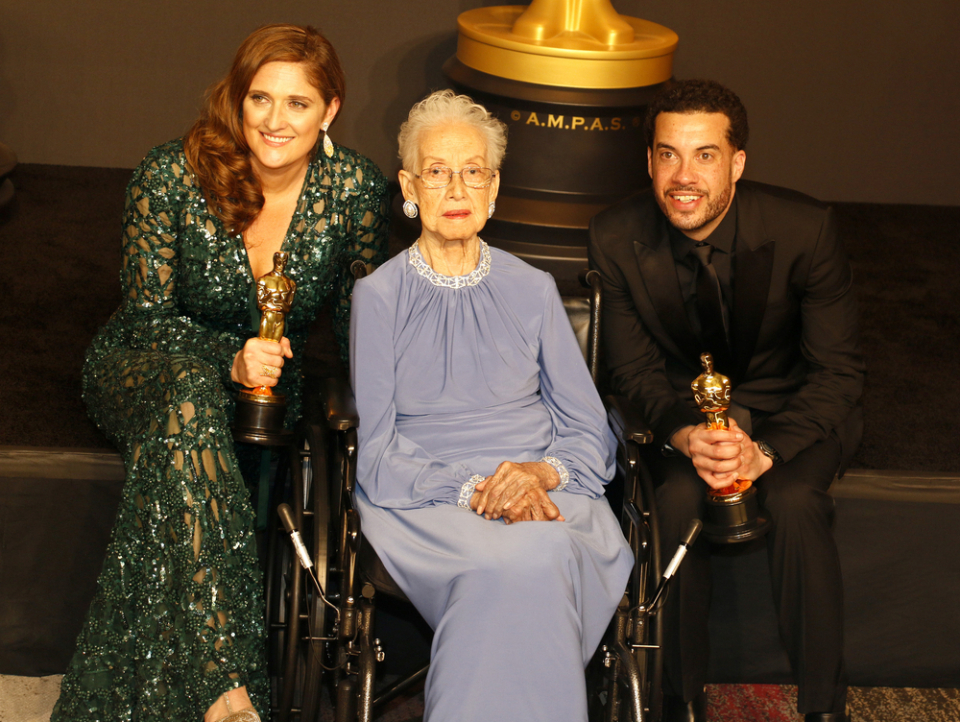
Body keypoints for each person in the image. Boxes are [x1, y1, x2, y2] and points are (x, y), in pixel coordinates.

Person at [52, 24, 389, 722]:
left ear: (329, 112)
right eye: (259, 98)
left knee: (194, 416)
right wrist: (227, 358)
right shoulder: (170, 173)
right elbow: (146, 316)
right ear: (235, 101)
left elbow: (365, 319)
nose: (274, 120)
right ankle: (223, 680)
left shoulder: (355, 187)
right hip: (145, 363)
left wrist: (393, 416)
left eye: (298, 104)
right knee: (188, 397)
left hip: (271, 382)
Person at [350, 90, 633, 722]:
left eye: (473, 170)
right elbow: (377, 452)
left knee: (539, 550)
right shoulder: (378, 297)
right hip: (425, 499)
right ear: (409, 185)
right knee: (515, 560)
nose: (456, 187)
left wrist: (539, 474)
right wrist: (478, 486)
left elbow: (588, 428)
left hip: (545, 489)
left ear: (495, 187)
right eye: (437, 171)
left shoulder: (532, 290)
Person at [588, 79, 864, 722]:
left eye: (705, 155)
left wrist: (764, 453)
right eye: (667, 155)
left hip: (792, 410)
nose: (683, 176)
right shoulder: (614, 233)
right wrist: (687, 436)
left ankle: (824, 709)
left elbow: (839, 372)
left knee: (795, 502)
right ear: (649, 159)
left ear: (737, 162)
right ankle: (678, 702)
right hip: (683, 414)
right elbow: (631, 369)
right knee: (676, 500)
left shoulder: (806, 228)